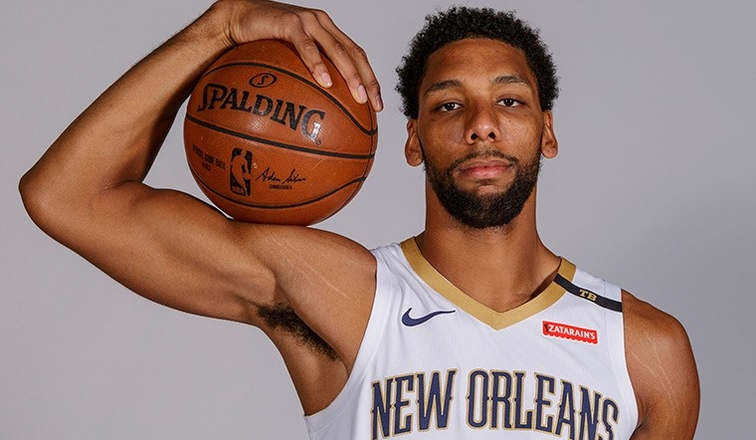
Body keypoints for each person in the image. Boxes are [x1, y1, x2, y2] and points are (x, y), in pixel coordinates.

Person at [19, 0, 699, 438]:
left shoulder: (646, 351)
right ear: (413, 141)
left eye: (511, 102)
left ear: (546, 132)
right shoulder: (339, 295)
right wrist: (219, 27)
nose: (482, 125)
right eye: (448, 105)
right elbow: (69, 198)